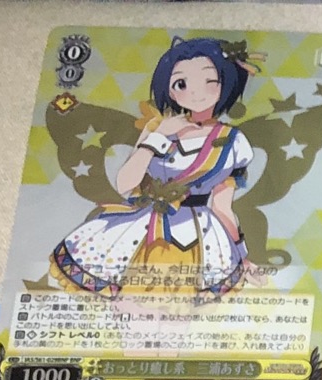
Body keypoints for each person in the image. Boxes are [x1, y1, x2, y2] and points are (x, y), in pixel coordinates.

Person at [51, 37, 259, 298]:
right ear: (170, 89)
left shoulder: (233, 141)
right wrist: (158, 137)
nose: (196, 93)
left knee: (180, 307)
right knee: (131, 302)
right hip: (143, 226)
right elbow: (126, 185)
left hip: (199, 235)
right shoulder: (157, 128)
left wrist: (241, 254)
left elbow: (222, 206)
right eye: (182, 84)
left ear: (225, 83)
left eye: (209, 81)